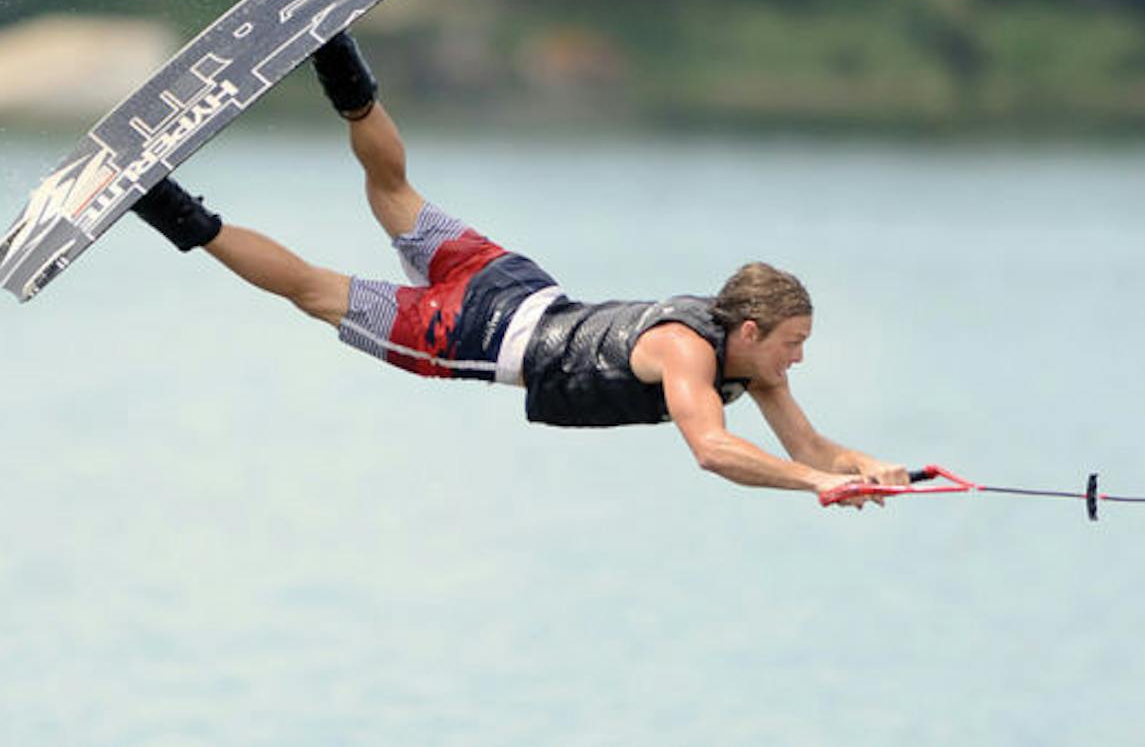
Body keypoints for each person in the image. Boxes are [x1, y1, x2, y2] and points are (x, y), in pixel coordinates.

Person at [132, 34, 908, 506]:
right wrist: (815, 486)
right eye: (794, 342)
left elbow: (811, 447)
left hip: (510, 279)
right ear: (749, 327)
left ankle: (337, 56)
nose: (798, 358)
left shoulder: (752, 362)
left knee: (395, 191)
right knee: (314, 291)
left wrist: (872, 470)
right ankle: (164, 203)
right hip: (471, 332)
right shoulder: (687, 350)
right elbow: (712, 448)